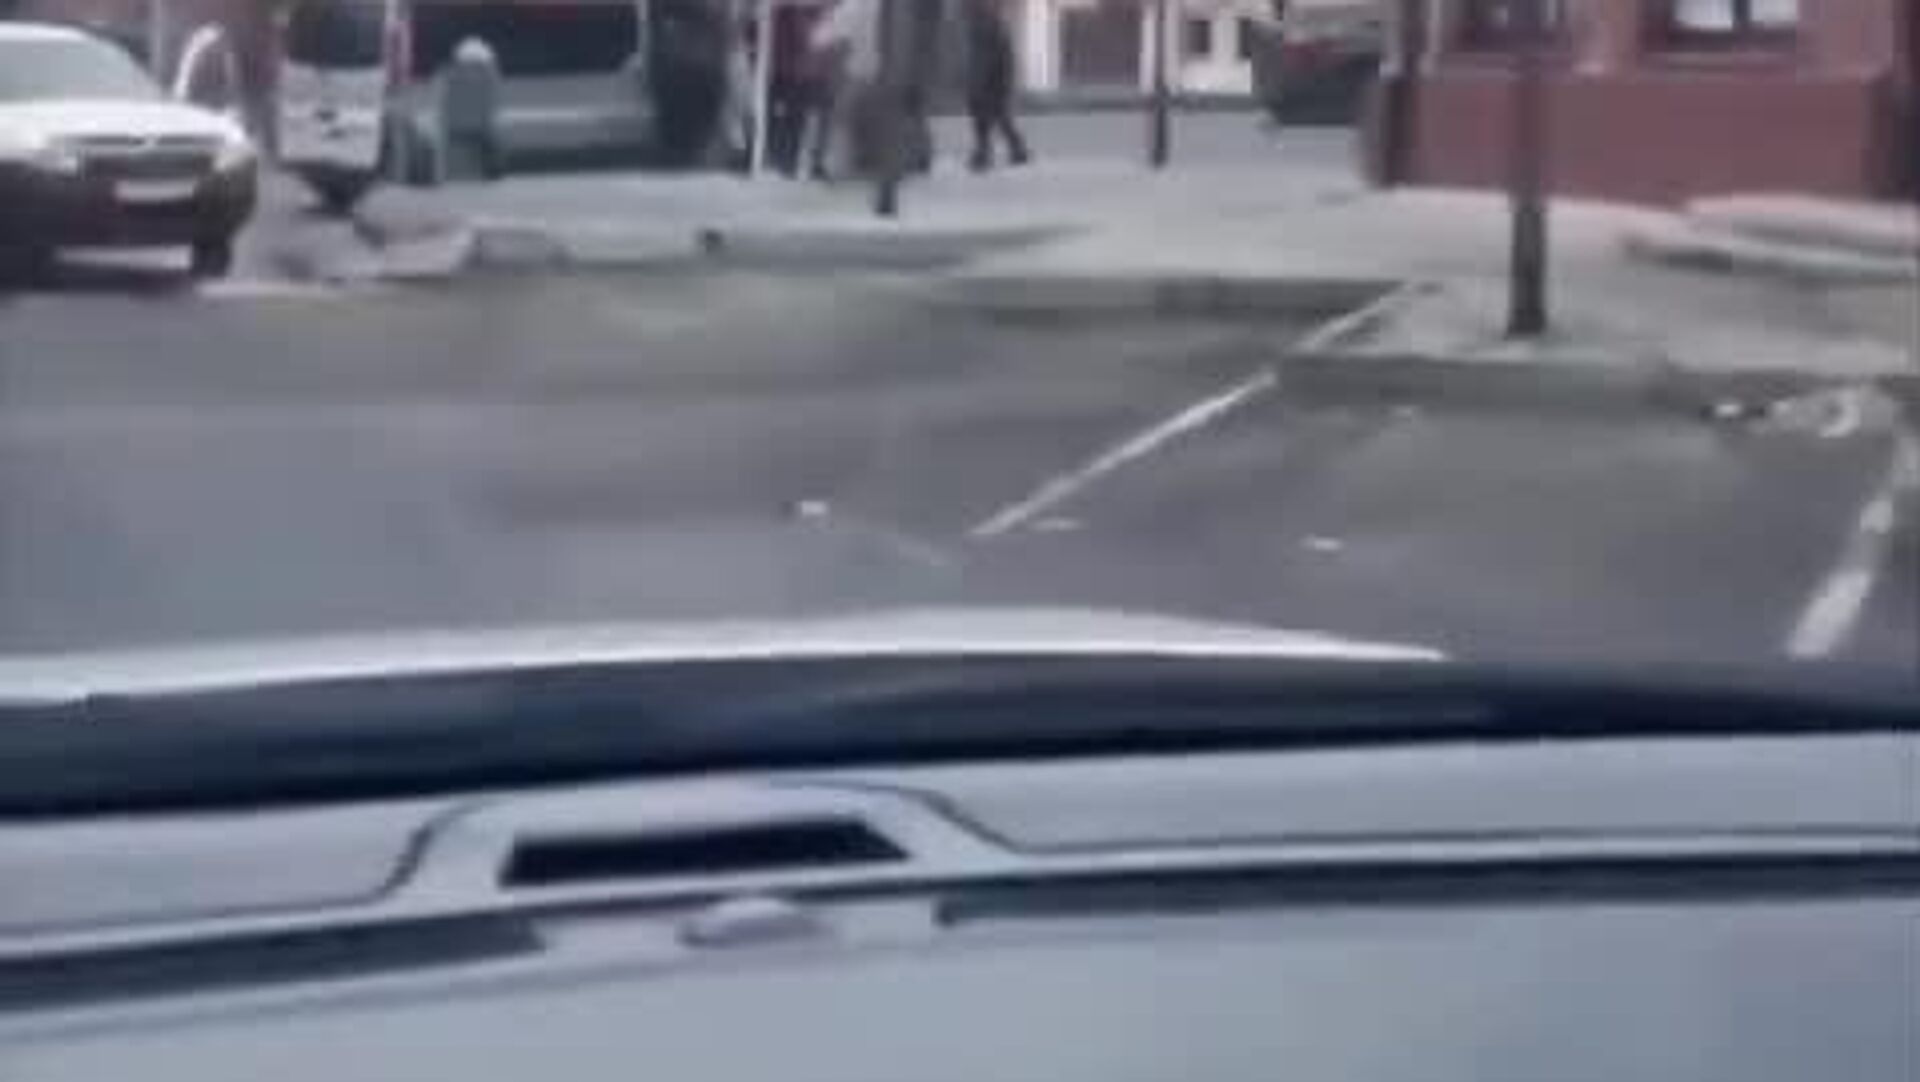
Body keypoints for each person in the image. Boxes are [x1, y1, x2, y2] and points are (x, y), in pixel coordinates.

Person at [962, 0, 1028, 172]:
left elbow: (987, 54)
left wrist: (976, 79)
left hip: (990, 74)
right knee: (998, 114)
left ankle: (986, 154)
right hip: (994, 72)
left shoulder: (983, 22)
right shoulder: (986, 20)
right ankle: (1015, 150)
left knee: (988, 114)